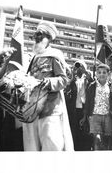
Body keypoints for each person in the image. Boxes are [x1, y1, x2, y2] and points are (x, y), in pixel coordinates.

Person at [22, 21, 74, 151]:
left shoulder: (55, 55)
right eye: (36, 35)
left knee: (51, 147)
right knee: (32, 149)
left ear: (49, 38)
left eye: (41, 35)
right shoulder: (34, 58)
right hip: (32, 111)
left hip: (50, 109)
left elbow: (64, 79)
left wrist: (48, 82)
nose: (37, 37)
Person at [81, 64, 112, 150]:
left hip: (108, 116)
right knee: (97, 139)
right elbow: (87, 102)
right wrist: (85, 116)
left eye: (104, 72)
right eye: (99, 72)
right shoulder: (91, 86)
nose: (102, 74)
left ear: (108, 74)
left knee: (106, 141)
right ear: (96, 74)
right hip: (94, 116)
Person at [65, 59, 93, 151]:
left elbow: (94, 87)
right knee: (74, 132)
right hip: (74, 110)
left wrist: (87, 74)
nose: (79, 69)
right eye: (77, 66)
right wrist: (72, 76)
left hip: (85, 109)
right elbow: (67, 91)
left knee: (86, 133)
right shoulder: (72, 80)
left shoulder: (88, 79)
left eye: (81, 66)